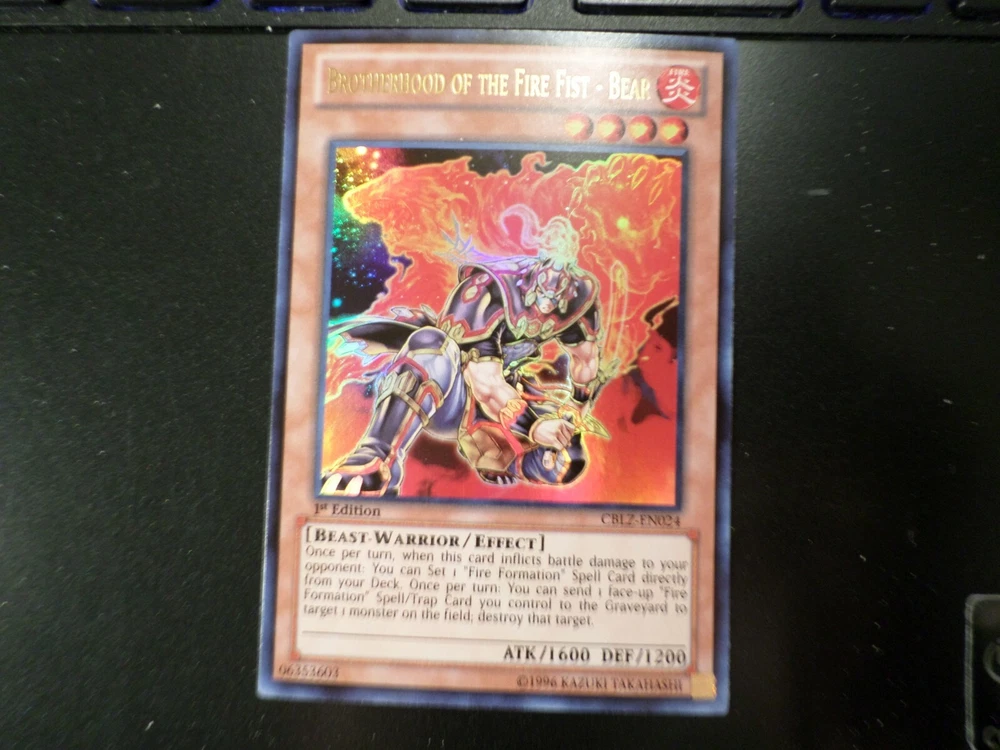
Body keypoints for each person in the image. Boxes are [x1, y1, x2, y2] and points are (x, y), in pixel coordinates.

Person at [321, 206, 614, 497]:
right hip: (452, 396)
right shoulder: (489, 290)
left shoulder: (578, 299)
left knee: (567, 461)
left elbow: (586, 360)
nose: (546, 306)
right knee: (430, 344)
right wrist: (534, 426)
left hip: (507, 393)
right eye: (543, 295)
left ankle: (503, 459)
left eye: (555, 298)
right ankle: (375, 459)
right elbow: (485, 384)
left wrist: (575, 409)